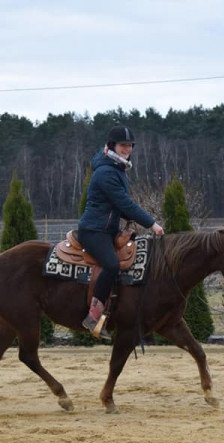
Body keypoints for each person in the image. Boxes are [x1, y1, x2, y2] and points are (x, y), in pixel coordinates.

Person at [78, 125, 165, 339]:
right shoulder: (107, 172)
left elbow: (116, 206)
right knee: (112, 265)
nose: (127, 149)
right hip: (93, 231)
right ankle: (93, 318)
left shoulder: (116, 168)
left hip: (107, 230)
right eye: (123, 145)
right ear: (112, 146)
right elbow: (124, 203)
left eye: (130, 145)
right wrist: (151, 223)